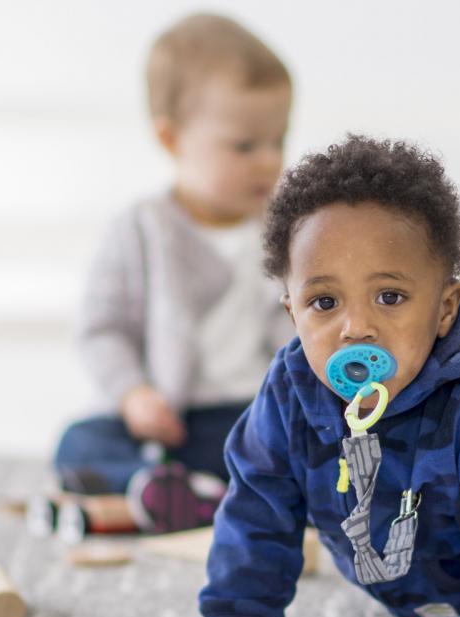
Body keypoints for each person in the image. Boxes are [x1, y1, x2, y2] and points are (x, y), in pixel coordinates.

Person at [198, 136, 460, 617]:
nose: (356, 328)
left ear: (444, 309)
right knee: (421, 596)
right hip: (415, 518)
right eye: (325, 303)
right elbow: (254, 520)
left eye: (389, 297)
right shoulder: (289, 395)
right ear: (292, 311)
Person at [52, 13, 294, 533]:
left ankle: (216, 493)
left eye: (278, 140)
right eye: (245, 146)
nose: (268, 161)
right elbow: (102, 328)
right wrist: (134, 393)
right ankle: (159, 487)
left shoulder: (289, 228)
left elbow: (304, 323)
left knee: (320, 445)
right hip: (167, 423)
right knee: (78, 444)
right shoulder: (141, 228)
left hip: (250, 414)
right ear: (172, 138)